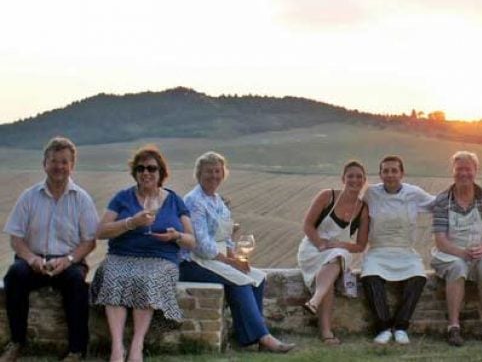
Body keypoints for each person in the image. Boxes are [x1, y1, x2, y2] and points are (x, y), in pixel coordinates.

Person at [179, 152, 295, 353]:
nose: (214, 176)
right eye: (209, 171)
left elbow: (227, 237)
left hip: (216, 260)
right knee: (240, 279)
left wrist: (235, 257)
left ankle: (250, 336)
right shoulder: (194, 201)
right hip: (194, 262)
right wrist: (232, 263)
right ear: (199, 174)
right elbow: (201, 244)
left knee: (257, 277)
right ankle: (264, 338)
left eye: (217, 171)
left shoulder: (218, 201)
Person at [89, 145, 196, 362]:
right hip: (122, 255)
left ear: (161, 173)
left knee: (147, 279)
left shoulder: (174, 200)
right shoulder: (122, 198)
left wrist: (175, 236)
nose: (145, 172)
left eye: (151, 168)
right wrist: (131, 223)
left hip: (161, 259)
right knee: (113, 275)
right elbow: (100, 232)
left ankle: (137, 346)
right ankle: (117, 349)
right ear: (135, 173)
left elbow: (191, 240)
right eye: (140, 168)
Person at [1, 137, 99, 362]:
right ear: (44, 163)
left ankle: (76, 350)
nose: (59, 167)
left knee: (77, 284)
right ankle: (17, 342)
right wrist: (31, 259)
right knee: (14, 276)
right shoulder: (29, 197)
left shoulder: (81, 200)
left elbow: (89, 241)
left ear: (72, 165)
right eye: (54, 161)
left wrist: (69, 259)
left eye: (64, 162)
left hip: (69, 262)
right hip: (32, 259)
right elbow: (16, 238)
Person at [361, 155, 435, 345]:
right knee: (370, 277)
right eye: (385, 171)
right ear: (380, 174)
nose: (390, 175)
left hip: (405, 250)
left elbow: (437, 204)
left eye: (394, 170)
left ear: (402, 173)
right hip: (378, 250)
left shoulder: (414, 193)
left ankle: (401, 327)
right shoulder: (371, 193)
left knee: (418, 277)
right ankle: (384, 328)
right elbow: (352, 207)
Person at [430, 151, 482, 347]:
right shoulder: (443, 200)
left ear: (475, 171)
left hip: (481, 250)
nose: (463, 173)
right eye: (459, 169)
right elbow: (440, 240)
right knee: (458, 267)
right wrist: (462, 253)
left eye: (467, 169)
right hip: (450, 252)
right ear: (453, 172)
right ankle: (453, 327)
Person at [297, 161, 369, 345]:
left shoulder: (362, 209)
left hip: (337, 253)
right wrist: (321, 244)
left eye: (359, 176)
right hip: (313, 249)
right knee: (334, 262)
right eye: (350, 175)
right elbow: (307, 225)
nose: (355, 179)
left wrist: (339, 244)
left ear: (364, 180)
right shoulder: (327, 196)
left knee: (338, 255)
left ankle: (316, 304)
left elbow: (360, 245)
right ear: (343, 179)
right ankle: (326, 331)